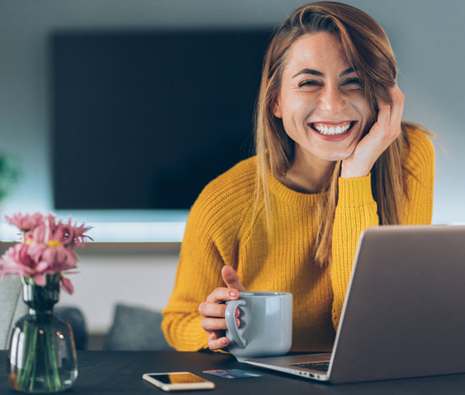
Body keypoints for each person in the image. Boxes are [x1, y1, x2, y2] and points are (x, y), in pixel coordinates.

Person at [161, 1, 435, 353]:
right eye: (309, 83)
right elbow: (177, 320)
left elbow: (369, 330)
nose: (333, 105)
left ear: (381, 95)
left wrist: (355, 173)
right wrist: (214, 326)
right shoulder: (224, 200)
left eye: (353, 81)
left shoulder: (407, 156)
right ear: (275, 101)